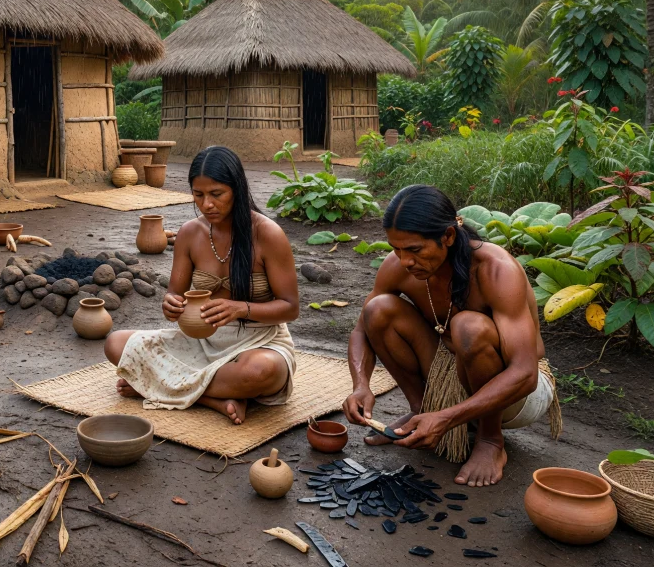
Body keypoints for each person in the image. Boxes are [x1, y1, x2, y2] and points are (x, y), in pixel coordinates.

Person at [342, 184, 560, 487]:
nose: (404, 261)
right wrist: (361, 386)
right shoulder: (399, 266)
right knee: (378, 310)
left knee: (468, 326)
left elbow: (525, 374)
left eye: (415, 250)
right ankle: (422, 412)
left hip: (517, 395)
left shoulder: (495, 270)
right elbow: (360, 331)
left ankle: (490, 440)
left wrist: (447, 419)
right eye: (396, 249)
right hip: (452, 376)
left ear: (448, 235)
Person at [104, 146, 300, 425]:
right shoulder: (189, 233)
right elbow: (175, 293)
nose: (207, 204)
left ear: (237, 189)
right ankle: (215, 399)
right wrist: (171, 303)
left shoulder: (267, 234)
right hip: (200, 343)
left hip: (258, 343)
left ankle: (155, 388)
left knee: (259, 372)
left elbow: (290, 308)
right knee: (116, 344)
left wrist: (241, 309)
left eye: (216, 194)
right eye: (198, 195)